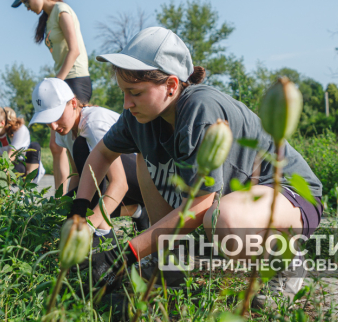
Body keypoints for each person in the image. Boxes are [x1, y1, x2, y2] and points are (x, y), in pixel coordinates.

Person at [71, 27, 323, 307]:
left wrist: (125, 256)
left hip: (287, 195)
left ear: (171, 85)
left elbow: (200, 206)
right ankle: (169, 259)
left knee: (223, 220)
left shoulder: (199, 108)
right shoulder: (138, 116)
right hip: (236, 200)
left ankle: (286, 261)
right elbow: (101, 154)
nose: (126, 103)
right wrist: (79, 213)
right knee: (143, 153)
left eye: (135, 93)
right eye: (124, 93)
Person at [29, 78, 149, 235]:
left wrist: (88, 226)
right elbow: (78, 176)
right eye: (47, 120)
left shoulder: (93, 125)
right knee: (68, 205)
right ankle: (137, 211)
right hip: (125, 186)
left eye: (57, 116)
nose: (53, 126)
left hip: (149, 181)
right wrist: (70, 213)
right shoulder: (64, 131)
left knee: (81, 147)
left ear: (73, 103)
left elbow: (120, 184)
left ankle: (104, 233)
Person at [12, 0, 91, 194]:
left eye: (26, 1)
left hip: (75, 79)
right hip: (64, 80)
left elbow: (74, 50)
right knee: (56, 146)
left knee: (73, 142)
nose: (27, 7)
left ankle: (81, 194)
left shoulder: (62, 10)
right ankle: (60, 199)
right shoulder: (48, 18)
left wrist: (57, 82)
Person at [0, 105, 45, 183]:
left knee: (34, 146)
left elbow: (11, 156)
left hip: (22, 164)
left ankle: (26, 185)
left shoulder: (19, 130)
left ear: (2, 123)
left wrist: (2, 177)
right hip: (3, 166)